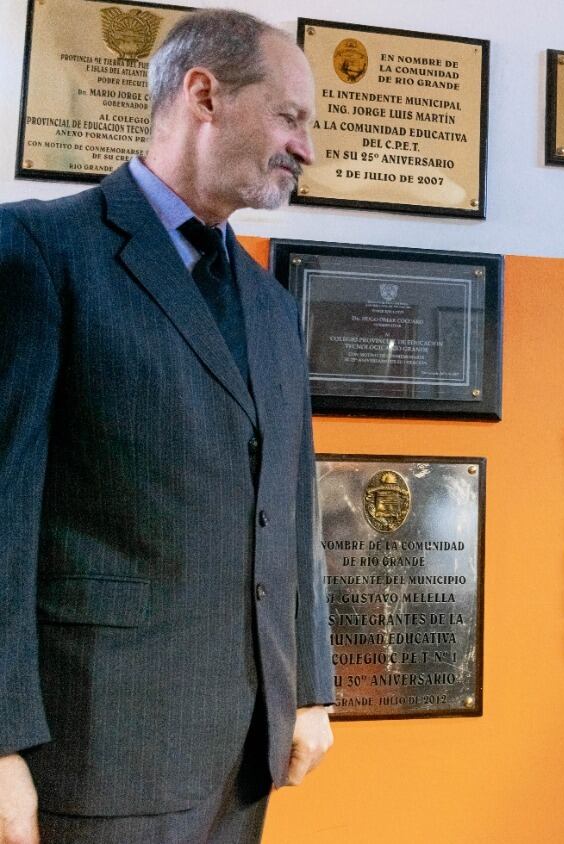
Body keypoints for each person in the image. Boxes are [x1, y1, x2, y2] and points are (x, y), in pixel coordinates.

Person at [0, 10, 333, 843]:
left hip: (242, 756)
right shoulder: (41, 250)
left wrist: (311, 686)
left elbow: (293, 503)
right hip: (93, 754)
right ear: (204, 94)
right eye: (291, 117)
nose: (307, 148)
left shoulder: (269, 301)